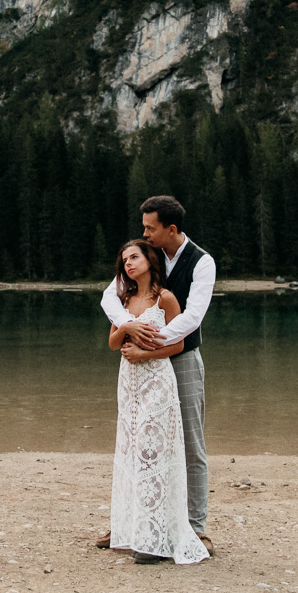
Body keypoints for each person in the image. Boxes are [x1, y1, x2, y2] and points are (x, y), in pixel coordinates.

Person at [97, 195, 217, 557]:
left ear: (171, 229)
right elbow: (109, 296)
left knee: (190, 444)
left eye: (151, 228)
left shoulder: (201, 263)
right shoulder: (145, 257)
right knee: (143, 441)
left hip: (182, 357)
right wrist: (127, 325)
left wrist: (150, 342)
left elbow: (193, 316)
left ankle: (195, 528)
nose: (144, 233)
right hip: (142, 363)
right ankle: (136, 523)